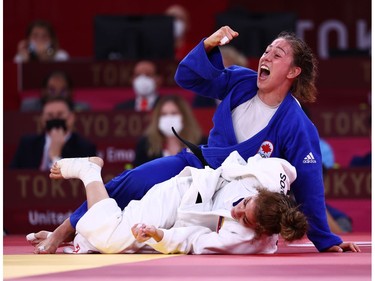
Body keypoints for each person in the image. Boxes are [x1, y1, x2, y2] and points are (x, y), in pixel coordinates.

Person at [27, 26, 359, 254]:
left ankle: (78, 233)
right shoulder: (241, 82)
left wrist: (325, 238)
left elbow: (310, 184)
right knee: (131, 181)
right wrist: (209, 45)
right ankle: (65, 229)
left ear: (293, 72)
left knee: (152, 229)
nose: (266, 57)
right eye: (267, 50)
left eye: (277, 55)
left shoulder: (296, 124)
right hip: (196, 165)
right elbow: (186, 76)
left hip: (225, 195)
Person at [30, 151, 311, 254]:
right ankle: (88, 171)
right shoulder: (273, 178)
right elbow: (289, 168)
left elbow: (190, 240)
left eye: (245, 218)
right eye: (245, 202)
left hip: (183, 220)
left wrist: (158, 234)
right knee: (112, 240)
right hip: (181, 191)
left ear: (260, 230)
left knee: (102, 243)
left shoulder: (243, 241)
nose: (236, 210)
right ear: (261, 192)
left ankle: (73, 236)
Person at [10, 96, 96, 171]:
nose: (55, 119)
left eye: (60, 115)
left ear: (71, 118)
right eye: (50, 115)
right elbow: (13, 177)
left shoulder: (85, 147)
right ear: (42, 119)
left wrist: (55, 156)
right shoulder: (27, 145)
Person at [133, 95, 205, 166]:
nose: (169, 118)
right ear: (157, 118)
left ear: (184, 117)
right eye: (164, 114)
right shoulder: (145, 145)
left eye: (174, 113)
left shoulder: (201, 144)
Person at [20, 70, 91, 112]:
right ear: (43, 91)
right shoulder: (29, 107)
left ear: (71, 92)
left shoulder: (82, 109)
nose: (57, 95)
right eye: (52, 90)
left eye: (63, 91)